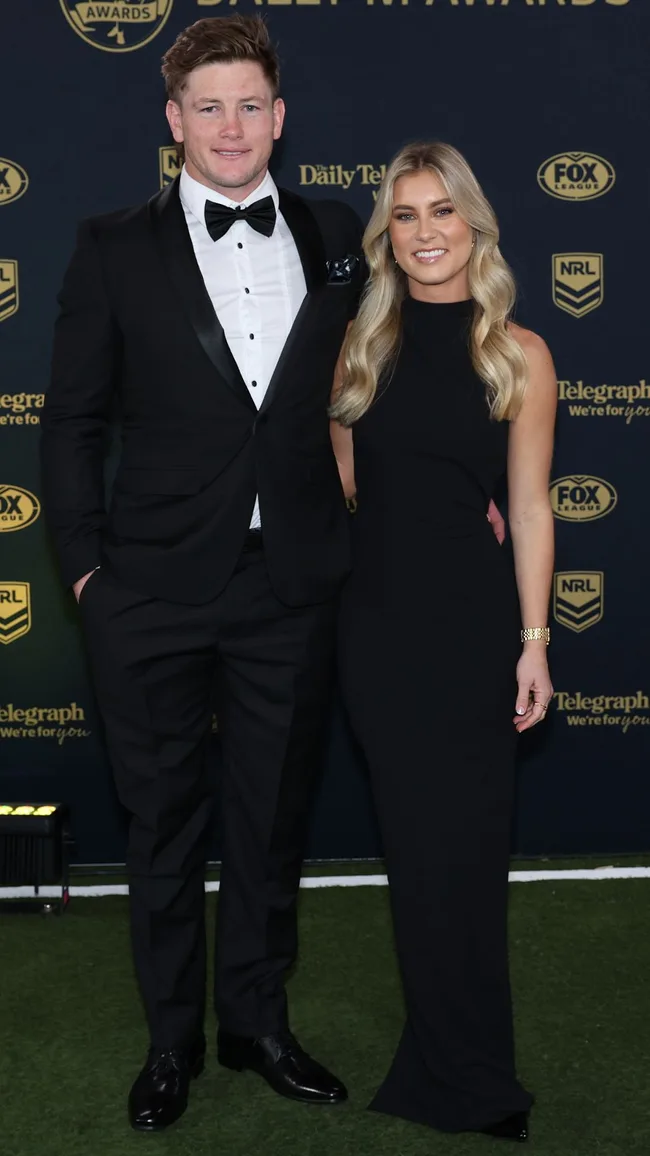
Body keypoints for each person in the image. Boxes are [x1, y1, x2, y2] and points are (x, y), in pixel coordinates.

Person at [40, 14, 366, 1133]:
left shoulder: (335, 230)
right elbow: (70, 421)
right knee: (165, 827)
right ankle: (171, 1041)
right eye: (207, 106)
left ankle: (255, 1025)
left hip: (289, 587)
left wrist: (462, 474)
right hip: (148, 593)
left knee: (270, 825)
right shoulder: (110, 245)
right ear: (173, 121)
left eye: (250, 104)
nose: (231, 126)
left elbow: (379, 384)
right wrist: (86, 571)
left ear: (280, 118)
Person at [330, 141, 556, 1142]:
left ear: (474, 224)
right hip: (377, 628)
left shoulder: (515, 352)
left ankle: (474, 1070)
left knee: (467, 856)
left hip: (471, 630)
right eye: (406, 215)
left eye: (442, 212)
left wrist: (533, 639)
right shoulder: (359, 347)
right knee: (416, 858)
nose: (425, 232)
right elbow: (345, 485)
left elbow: (530, 506)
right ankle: (437, 1063)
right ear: (388, 233)